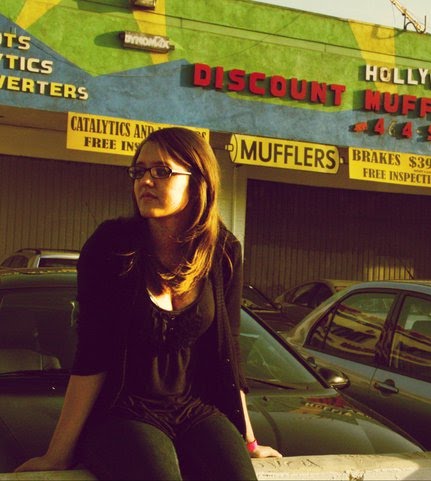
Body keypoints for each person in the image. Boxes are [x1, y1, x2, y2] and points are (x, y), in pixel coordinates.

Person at [15, 127, 281, 480]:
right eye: (139, 171)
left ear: (198, 181)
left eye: (161, 171)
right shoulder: (112, 246)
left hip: (194, 410)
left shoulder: (223, 251)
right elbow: (92, 353)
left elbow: (228, 352)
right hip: (122, 412)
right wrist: (58, 454)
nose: (145, 181)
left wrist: (249, 441)